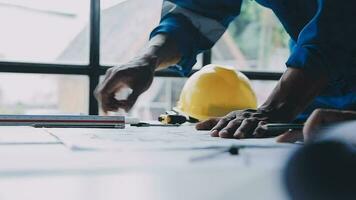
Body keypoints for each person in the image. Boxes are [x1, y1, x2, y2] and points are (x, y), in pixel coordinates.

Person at [95, 0, 356, 140]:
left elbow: (340, 22)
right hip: (311, 103)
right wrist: (149, 58)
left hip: (308, 93)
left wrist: (274, 108)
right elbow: (197, 10)